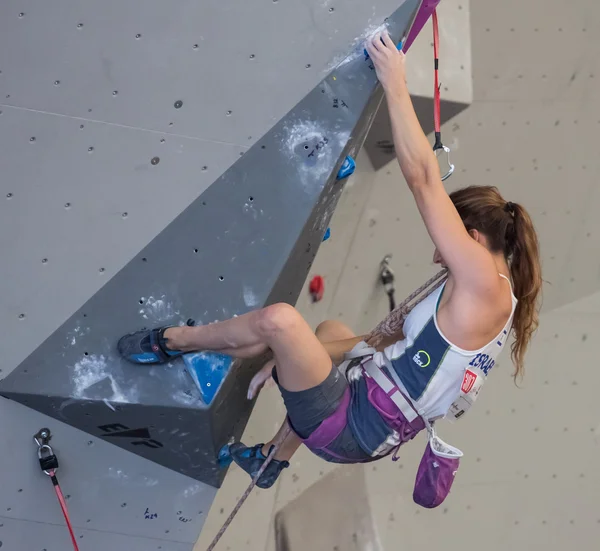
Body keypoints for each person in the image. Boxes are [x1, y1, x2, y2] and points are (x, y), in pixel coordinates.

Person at [118, 31, 542, 489]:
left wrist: (395, 82)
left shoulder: (482, 280)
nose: (437, 251)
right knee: (328, 334)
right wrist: (298, 360)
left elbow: (422, 178)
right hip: (364, 413)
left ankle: (171, 340)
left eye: (448, 241)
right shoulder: (492, 296)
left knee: (280, 322)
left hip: (349, 428)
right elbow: (377, 340)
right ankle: (271, 458)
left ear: (473, 238)